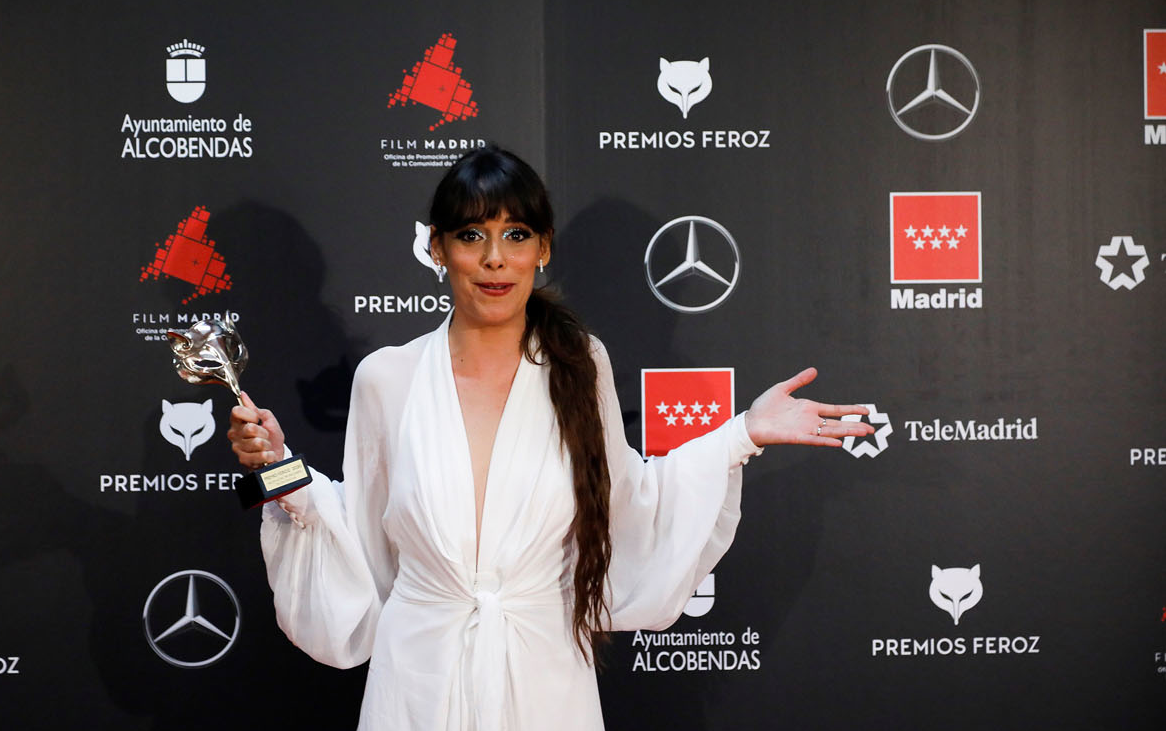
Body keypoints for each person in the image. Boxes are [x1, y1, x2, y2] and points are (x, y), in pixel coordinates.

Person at [227, 147, 874, 731]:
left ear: (543, 248)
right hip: (418, 686)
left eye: (516, 234)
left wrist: (742, 434)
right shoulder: (385, 378)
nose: (495, 258)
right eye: (471, 235)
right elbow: (362, 535)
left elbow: (629, 500)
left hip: (545, 685)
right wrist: (279, 467)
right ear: (437, 249)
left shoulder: (580, 364)